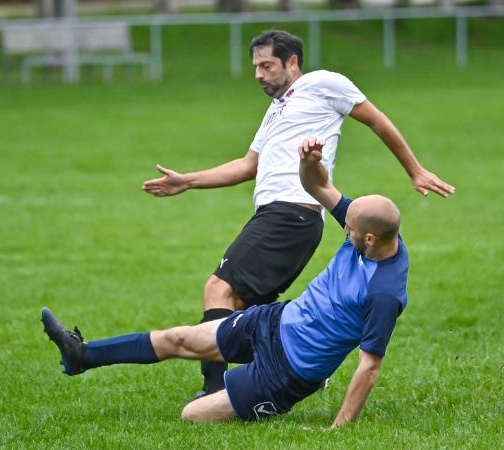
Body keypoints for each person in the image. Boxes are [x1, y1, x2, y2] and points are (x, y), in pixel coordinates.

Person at [141, 29, 452, 398]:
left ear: (292, 62)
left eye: (267, 65)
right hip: (278, 215)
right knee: (239, 307)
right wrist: (188, 181)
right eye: (255, 67)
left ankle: (214, 389)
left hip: (293, 211)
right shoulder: (276, 111)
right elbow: (247, 165)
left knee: (218, 289)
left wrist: (414, 169)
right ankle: (292, 365)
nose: (258, 74)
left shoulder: (324, 83)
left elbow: (376, 119)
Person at [43, 136, 409, 426]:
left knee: (193, 416)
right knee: (180, 338)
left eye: (349, 229)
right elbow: (319, 189)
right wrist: (308, 164)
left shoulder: (385, 292)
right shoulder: (365, 224)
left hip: (287, 372)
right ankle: (82, 355)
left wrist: (338, 430)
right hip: (274, 322)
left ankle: (266, 400)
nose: (344, 228)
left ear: (371, 239)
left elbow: (369, 366)